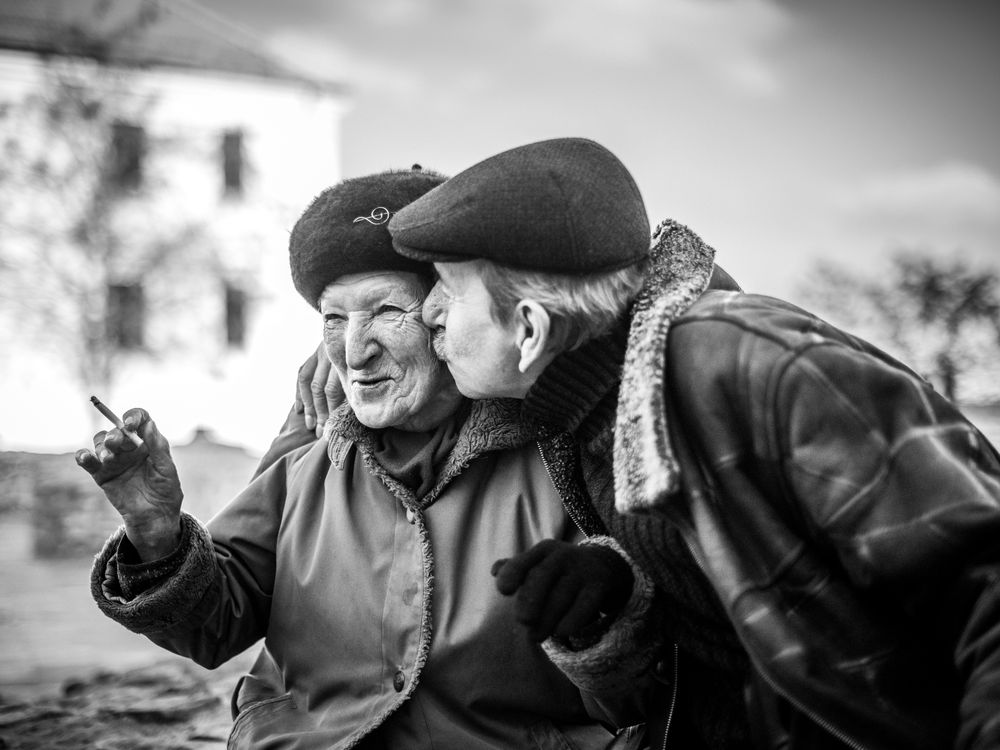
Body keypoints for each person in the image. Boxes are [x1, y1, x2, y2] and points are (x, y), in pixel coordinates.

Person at [374, 137, 1000, 749]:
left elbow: (984, 583)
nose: (428, 313)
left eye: (449, 290)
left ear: (530, 330)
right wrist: (622, 588)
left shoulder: (752, 367)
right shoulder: (585, 416)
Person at [75, 166, 653, 749]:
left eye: (385, 310)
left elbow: (641, 691)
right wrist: (156, 532)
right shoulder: (308, 450)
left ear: (446, 310)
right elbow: (214, 622)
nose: (354, 352)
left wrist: (599, 625)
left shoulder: (561, 455)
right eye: (333, 318)